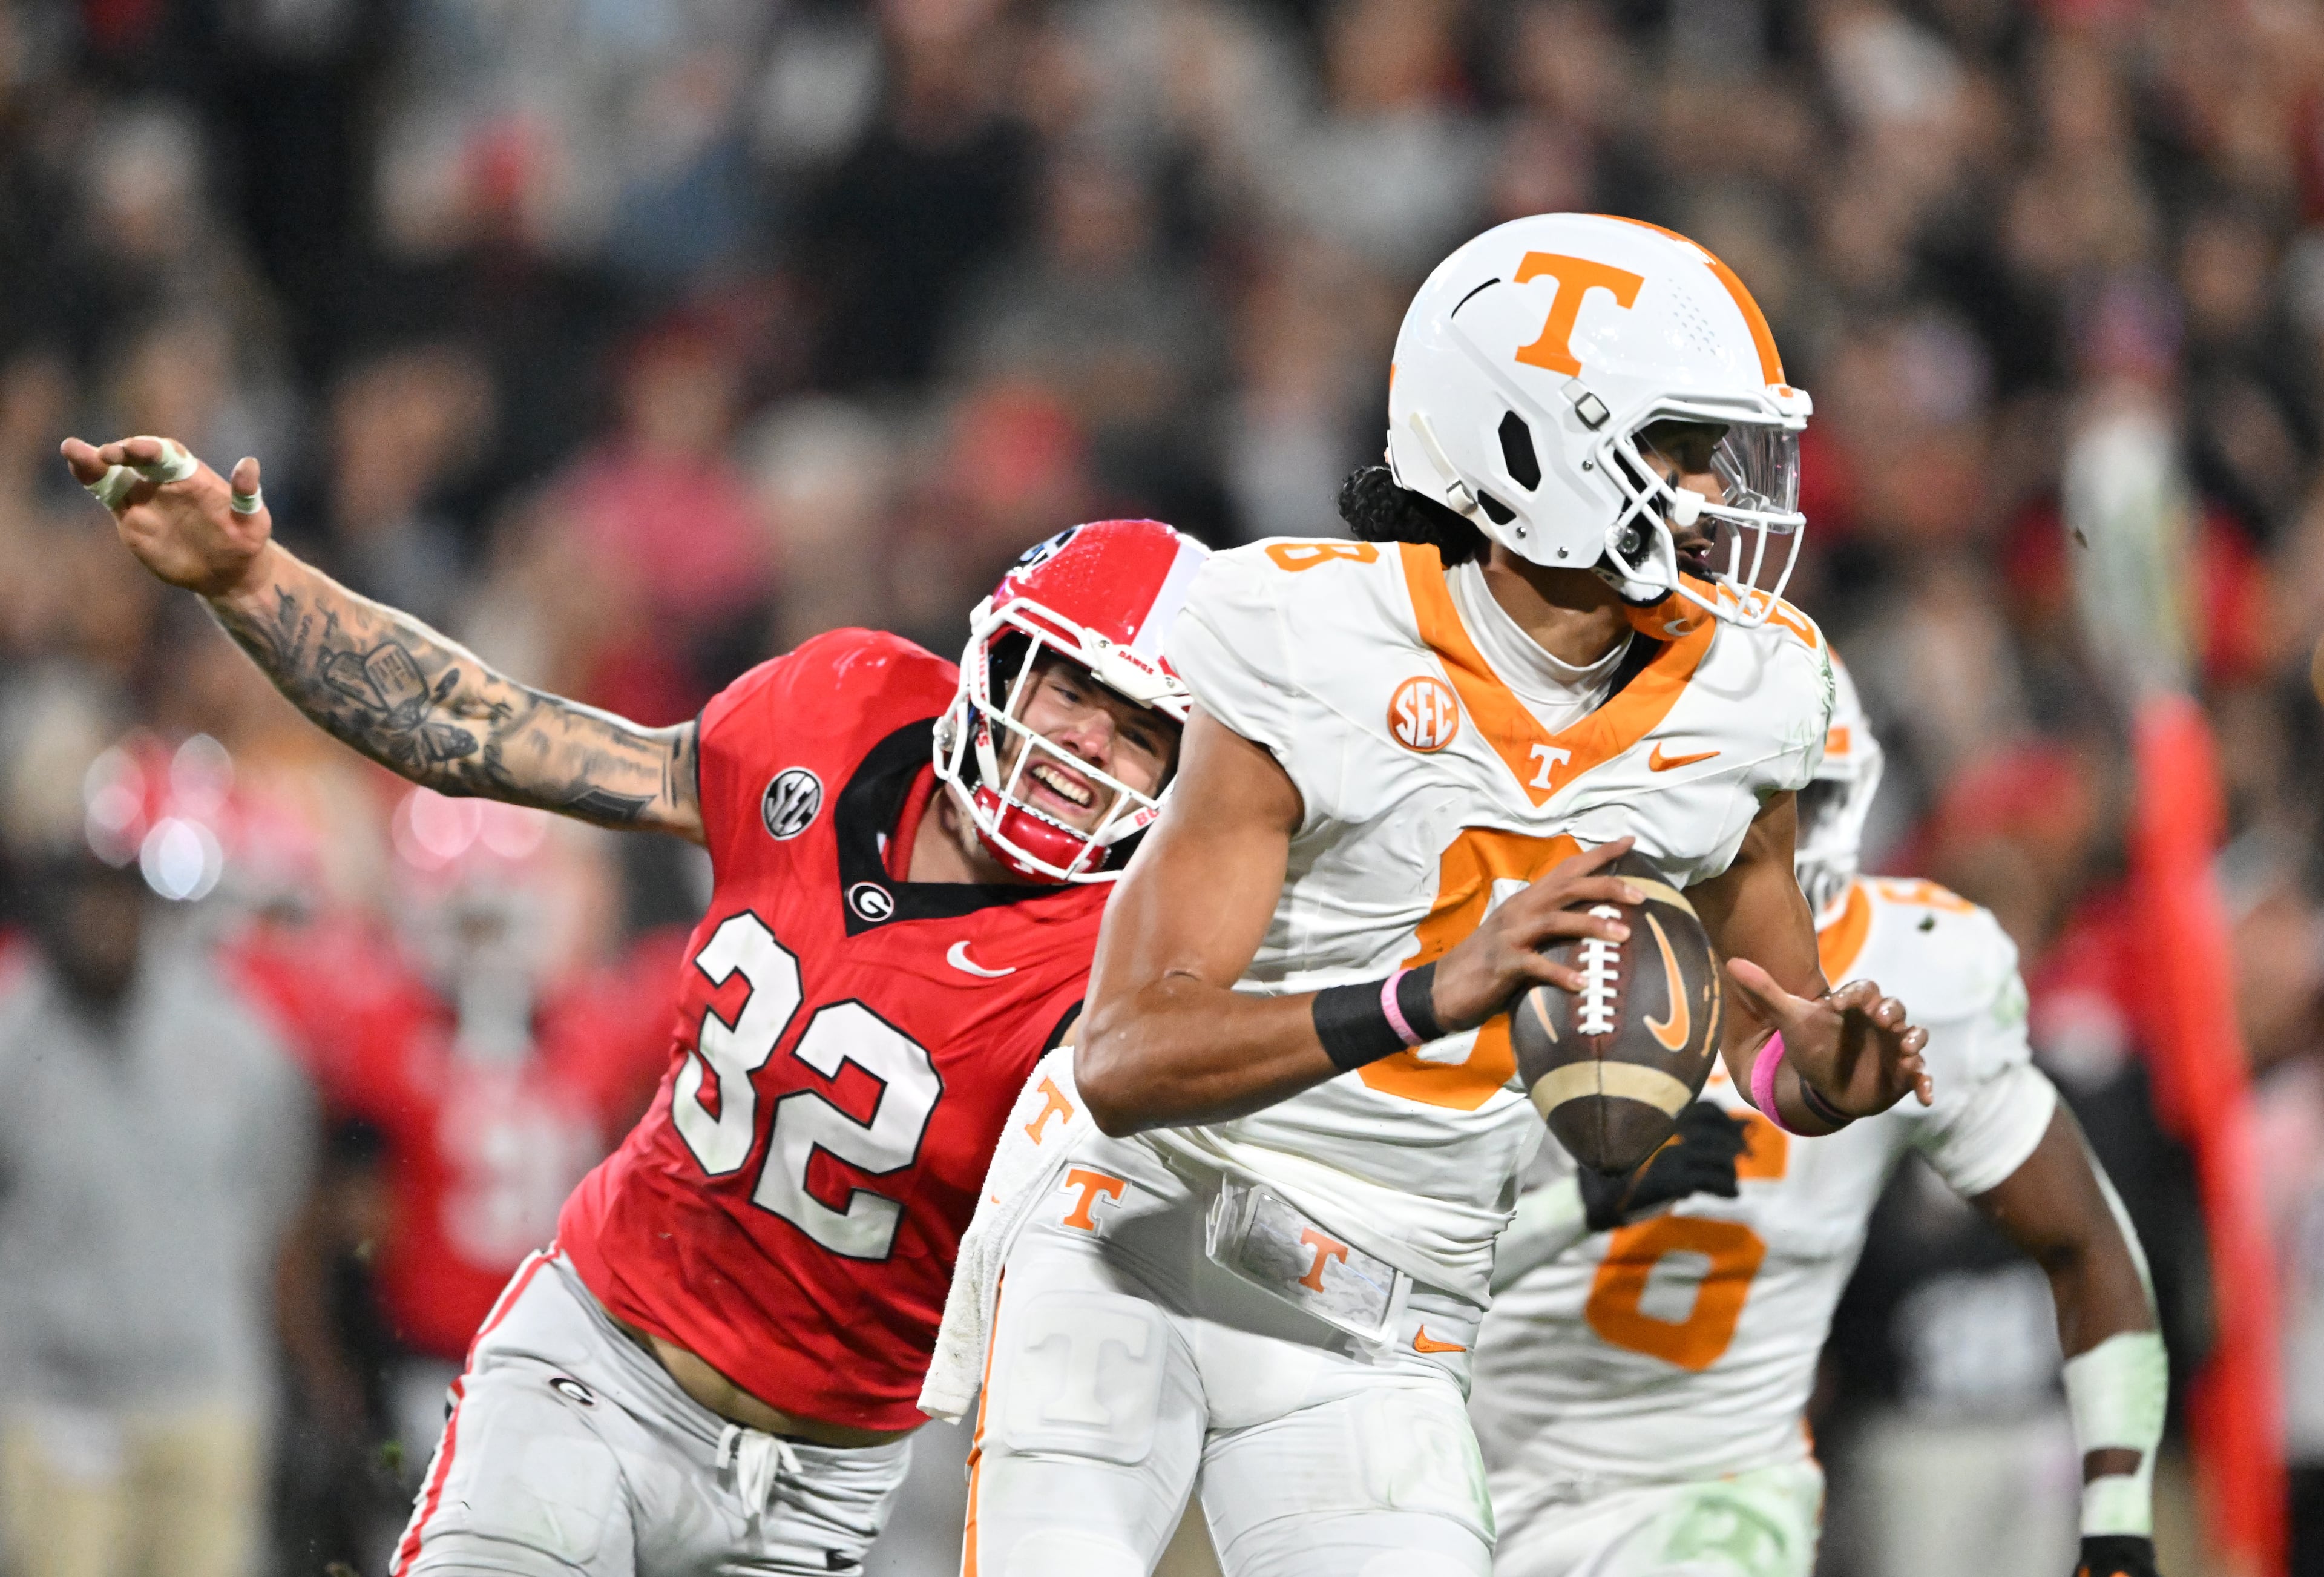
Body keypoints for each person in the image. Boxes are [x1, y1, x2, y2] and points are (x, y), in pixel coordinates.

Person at [927, 212, 1929, 1576]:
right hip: (1140, 1235)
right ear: (1530, 441)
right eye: (1676, 450)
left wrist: (1826, 1075)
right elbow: (1123, 1057)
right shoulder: (1310, 638)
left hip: (1393, 1308)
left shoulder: (1750, 696)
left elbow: (1770, 1028)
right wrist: (1428, 994)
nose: (1715, 493)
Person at [62, 427, 1207, 1576]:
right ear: (1007, 661)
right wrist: (256, 582)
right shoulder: (841, 706)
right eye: (1071, 685)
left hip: (823, 1487)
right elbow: (494, 734)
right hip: (597, 1367)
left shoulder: (1132, 966)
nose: (1086, 741)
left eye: (1141, 727)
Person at [1468, 662, 2168, 1577]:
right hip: (1471, 1465)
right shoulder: (1516, 949)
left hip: (1722, 1494)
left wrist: (2119, 1524)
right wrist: (1581, 1208)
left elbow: (2089, 1243)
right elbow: (1361, 1278)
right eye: (1744, 799)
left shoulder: (1916, 973)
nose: (1772, 837)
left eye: (1802, 797)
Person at [0, 783, 317, 1577]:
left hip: (201, 1387)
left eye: (117, 897)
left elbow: (278, 1191)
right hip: (53, 1397)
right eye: (83, 897)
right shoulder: (11, 1038)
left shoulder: (234, 1039)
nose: (100, 919)